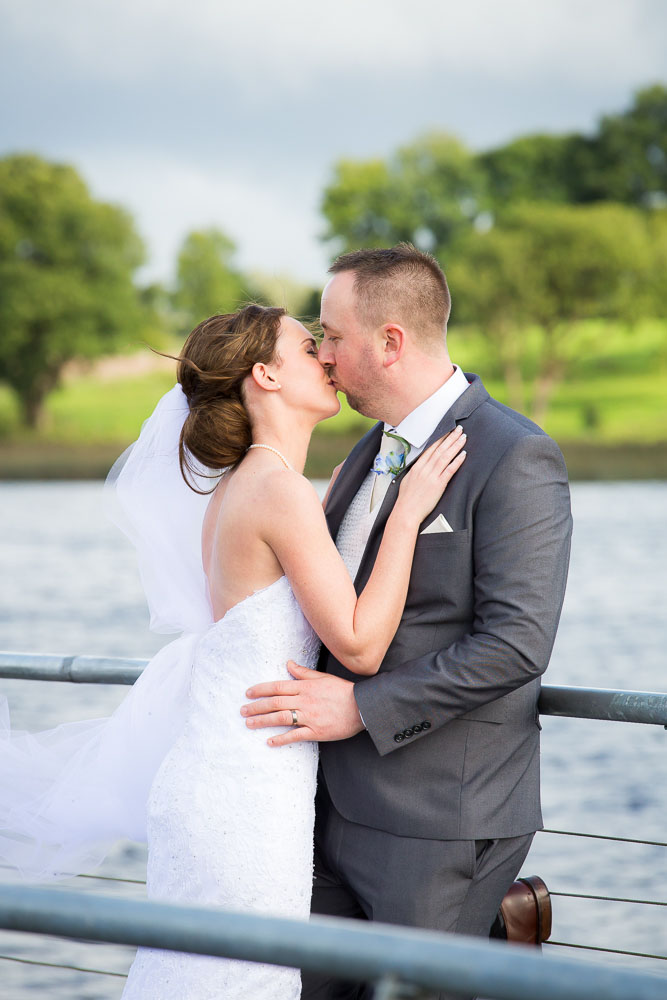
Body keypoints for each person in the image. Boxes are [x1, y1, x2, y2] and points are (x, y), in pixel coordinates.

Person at [0, 303, 466, 1000]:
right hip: (245, 795)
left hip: (233, 778)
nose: (329, 358)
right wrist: (406, 514)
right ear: (267, 374)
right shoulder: (276, 489)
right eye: (311, 347)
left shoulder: (257, 483)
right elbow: (362, 646)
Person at [240, 245, 573, 1000]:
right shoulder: (364, 452)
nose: (322, 355)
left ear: (389, 341)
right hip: (325, 810)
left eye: (331, 335)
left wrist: (361, 706)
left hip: (436, 821)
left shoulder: (513, 454)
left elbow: (517, 644)